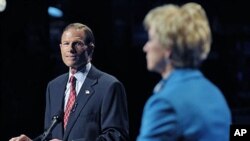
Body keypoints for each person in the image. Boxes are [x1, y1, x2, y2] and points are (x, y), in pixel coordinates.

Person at [9, 23, 129, 141]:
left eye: (77, 43)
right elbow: (50, 136)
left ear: (91, 48)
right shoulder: (54, 86)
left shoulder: (109, 86)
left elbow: (116, 136)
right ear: (61, 48)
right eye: (66, 44)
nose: (70, 49)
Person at [137, 2, 231, 141]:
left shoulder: (165, 103)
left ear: (168, 48)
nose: (146, 47)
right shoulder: (215, 94)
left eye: (151, 39)